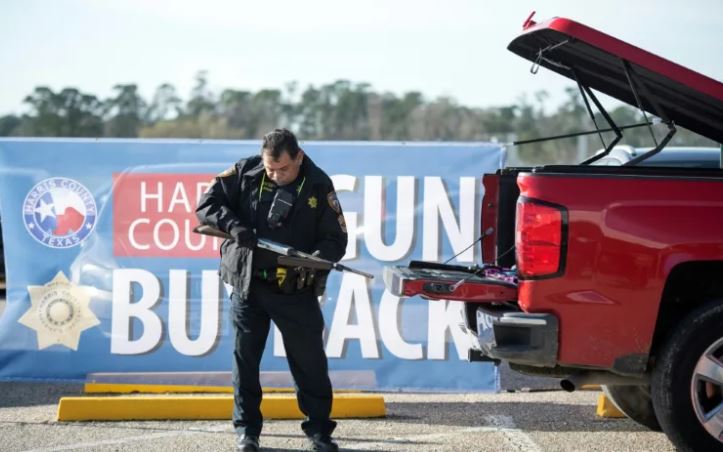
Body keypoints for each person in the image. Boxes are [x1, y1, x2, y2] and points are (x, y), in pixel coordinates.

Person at [196, 128, 348, 452]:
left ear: (299, 157)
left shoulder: (319, 185)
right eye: (271, 169)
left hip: (295, 290)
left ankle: (320, 432)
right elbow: (206, 205)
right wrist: (234, 226)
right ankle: (247, 432)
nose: (276, 175)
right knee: (245, 362)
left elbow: (336, 238)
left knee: (310, 364)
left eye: (283, 169)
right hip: (248, 285)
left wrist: (318, 258)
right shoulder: (245, 172)